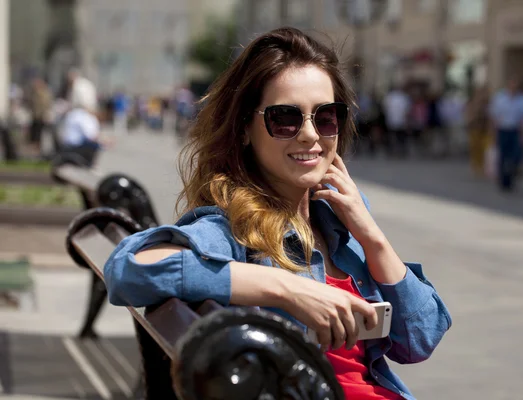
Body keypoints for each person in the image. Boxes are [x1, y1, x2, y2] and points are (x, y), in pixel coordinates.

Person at [103, 28, 451, 399]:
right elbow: (128, 268)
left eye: (326, 117)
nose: (309, 135)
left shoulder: (340, 222)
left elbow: (420, 339)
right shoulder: (233, 227)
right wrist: (290, 290)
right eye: (285, 118)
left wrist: (371, 236)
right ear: (244, 130)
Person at [489, 78, 523, 192]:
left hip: (514, 130)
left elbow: (522, 118)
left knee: (515, 155)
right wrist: (493, 132)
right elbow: (494, 116)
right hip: (503, 130)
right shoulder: (500, 98)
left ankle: (511, 177)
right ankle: (503, 180)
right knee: (503, 156)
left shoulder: (521, 99)